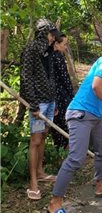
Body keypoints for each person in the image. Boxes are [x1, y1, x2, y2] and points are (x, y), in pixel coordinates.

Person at [48, 39, 102, 213]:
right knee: (76, 158)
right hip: (80, 113)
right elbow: (97, 85)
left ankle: (101, 185)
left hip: (94, 117)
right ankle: (54, 203)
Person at [20, 18, 62, 200]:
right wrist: (34, 105)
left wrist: (55, 103)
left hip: (50, 102)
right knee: (36, 139)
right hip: (39, 104)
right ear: (45, 33)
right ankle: (33, 183)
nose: (54, 38)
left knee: (44, 135)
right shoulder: (31, 50)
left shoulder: (49, 51)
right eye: (52, 34)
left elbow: (51, 77)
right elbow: (26, 78)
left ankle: (41, 172)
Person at [51, 34, 74, 149]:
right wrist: (71, 94)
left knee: (56, 126)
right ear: (56, 43)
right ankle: (66, 151)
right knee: (65, 124)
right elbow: (65, 79)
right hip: (61, 96)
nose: (65, 47)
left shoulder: (47, 56)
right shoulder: (57, 57)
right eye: (64, 44)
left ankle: (59, 149)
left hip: (51, 96)